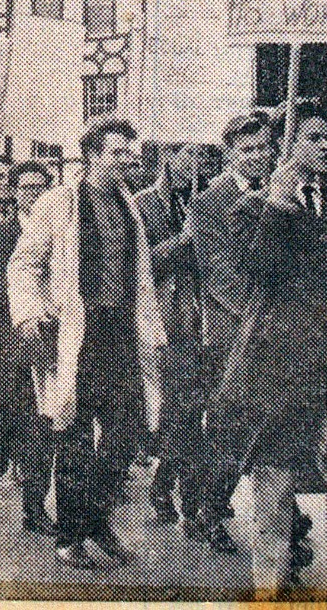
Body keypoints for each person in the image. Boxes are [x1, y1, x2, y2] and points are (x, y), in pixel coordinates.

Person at [206, 102, 327, 596]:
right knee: (275, 486)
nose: (326, 146)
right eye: (314, 138)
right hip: (278, 369)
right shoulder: (251, 211)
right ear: (289, 147)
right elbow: (251, 274)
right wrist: (275, 209)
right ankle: (271, 588)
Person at [7, 117, 166, 570]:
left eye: (130, 153)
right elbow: (23, 264)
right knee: (74, 436)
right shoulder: (58, 203)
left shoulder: (127, 205)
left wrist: (152, 331)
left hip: (120, 332)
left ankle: (95, 521)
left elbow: (142, 278)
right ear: (93, 155)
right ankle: (70, 536)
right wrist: (31, 312)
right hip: (75, 333)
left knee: (127, 430)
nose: (128, 160)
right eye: (117, 153)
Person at [186, 111, 292, 555]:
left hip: (283, 335)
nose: (259, 156)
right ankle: (209, 510)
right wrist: (263, 317)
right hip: (234, 335)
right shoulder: (208, 204)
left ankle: (287, 520)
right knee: (233, 431)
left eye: (265, 147)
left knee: (280, 430)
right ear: (229, 154)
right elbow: (220, 276)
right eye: (247, 149)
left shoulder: (282, 195)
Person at [0, 160, 57, 536]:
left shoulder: (61, 233)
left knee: (41, 429)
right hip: (2, 341)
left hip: (44, 344)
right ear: (14, 193)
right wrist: (23, 301)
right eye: (26, 188)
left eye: (39, 187)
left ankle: (35, 510)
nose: (32, 194)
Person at [133, 144, 213, 533]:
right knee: (179, 413)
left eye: (201, 157)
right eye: (188, 156)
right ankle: (181, 496)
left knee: (194, 413)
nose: (195, 164)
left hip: (203, 318)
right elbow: (141, 263)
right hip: (167, 322)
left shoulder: (204, 200)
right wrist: (185, 239)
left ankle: (175, 488)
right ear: (169, 160)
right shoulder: (144, 204)